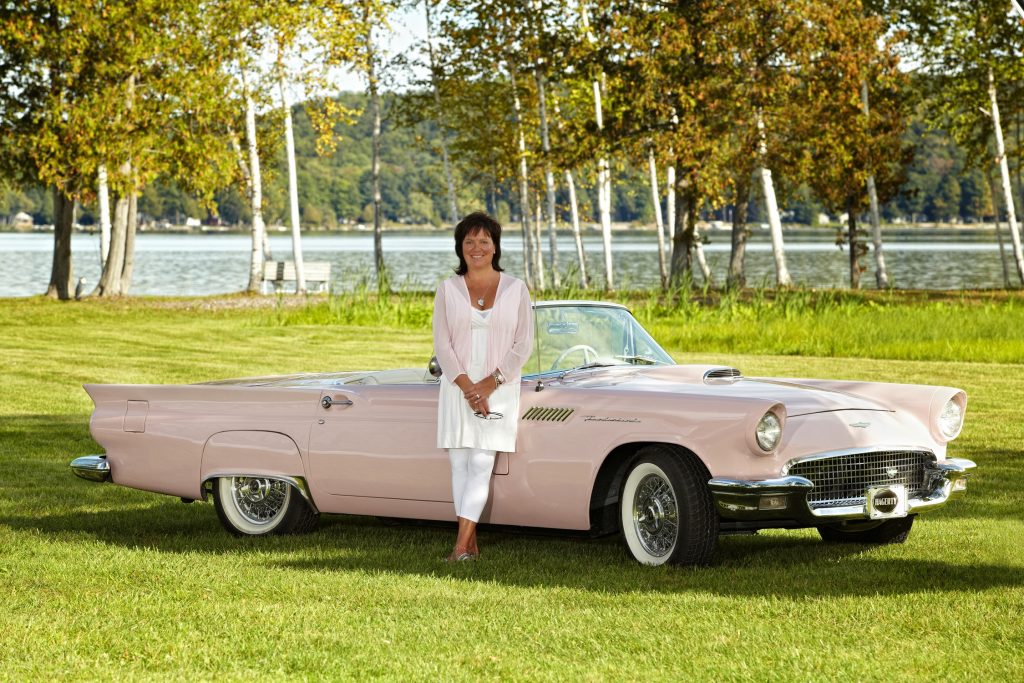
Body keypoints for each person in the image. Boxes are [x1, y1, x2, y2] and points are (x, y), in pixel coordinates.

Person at [432, 211, 533, 562]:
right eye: (469, 241)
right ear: (460, 247)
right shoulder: (447, 289)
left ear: (495, 246)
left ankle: (460, 547)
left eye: (484, 241)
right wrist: (468, 388)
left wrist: (489, 385)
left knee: (481, 462)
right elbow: (442, 346)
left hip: (500, 389)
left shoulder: (516, 289)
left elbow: (524, 344)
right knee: (459, 464)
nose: (476, 248)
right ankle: (469, 543)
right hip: (457, 387)